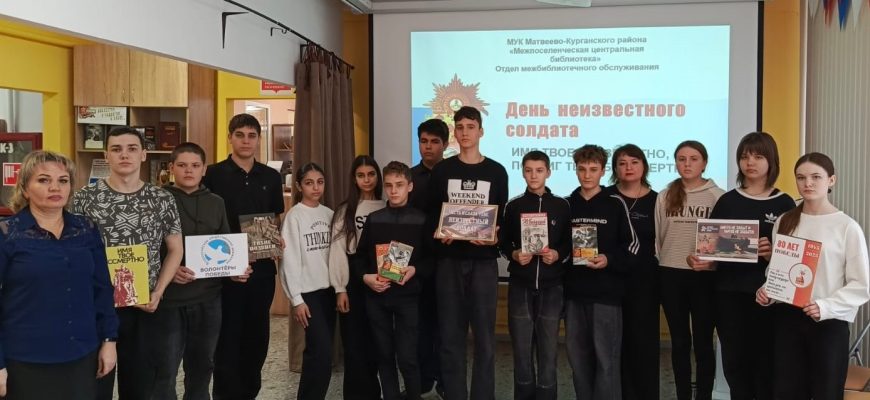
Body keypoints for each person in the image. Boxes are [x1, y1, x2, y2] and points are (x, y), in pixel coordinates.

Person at [71, 126, 184, 400]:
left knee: (141, 387)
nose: (124, 155)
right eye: (116, 149)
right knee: (96, 384)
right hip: (98, 306)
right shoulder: (85, 198)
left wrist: (158, 291)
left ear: (143, 154)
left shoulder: (162, 198)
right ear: (106, 155)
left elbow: (175, 249)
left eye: (132, 149)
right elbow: (74, 251)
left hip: (145, 306)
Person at [0, 151, 117, 400]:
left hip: (82, 354)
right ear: (25, 189)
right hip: (25, 358)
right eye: (43, 180)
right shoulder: (7, 234)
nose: (55, 187)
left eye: (63, 180)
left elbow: (102, 289)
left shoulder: (86, 229)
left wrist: (109, 339)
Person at [756, 152, 870, 400]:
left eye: (816, 177)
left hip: (828, 324)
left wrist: (825, 306)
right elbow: (777, 269)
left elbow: (861, 285)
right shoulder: (785, 221)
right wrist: (768, 291)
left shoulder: (847, 227)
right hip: (787, 320)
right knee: (786, 391)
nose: (807, 183)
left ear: (831, 180)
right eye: (801, 177)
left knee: (826, 392)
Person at [151, 142, 253, 399]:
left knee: (202, 367)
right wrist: (168, 271)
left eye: (195, 165)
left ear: (204, 169)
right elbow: (146, 247)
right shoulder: (156, 200)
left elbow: (225, 245)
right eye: (182, 165)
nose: (189, 171)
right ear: (171, 168)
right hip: (168, 301)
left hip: (208, 299)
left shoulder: (216, 202)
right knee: (164, 369)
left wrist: (234, 270)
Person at [427, 106, 508, 400]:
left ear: (481, 132)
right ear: (455, 132)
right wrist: (440, 233)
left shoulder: (496, 171)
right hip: (449, 262)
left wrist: (494, 237)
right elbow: (432, 216)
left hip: (484, 264)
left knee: (485, 339)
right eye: (460, 127)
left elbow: (501, 220)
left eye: (470, 127)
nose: (465, 132)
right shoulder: (442, 171)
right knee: (451, 338)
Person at [204, 113, 285, 400]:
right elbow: (207, 223)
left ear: (258, 139)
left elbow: (275, 218)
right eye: (240, 135)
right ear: (230, 137)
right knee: (227, 338)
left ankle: (250, 393)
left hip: (261, 271)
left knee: (257, 338)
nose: (246, 141)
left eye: (252, 135)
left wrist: (275, 239)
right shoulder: (212, 174)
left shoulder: (271, 176)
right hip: (225, 270)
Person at [709, 132, 795, 400]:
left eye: (758, 156)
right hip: (729, 293)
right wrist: (703, 257)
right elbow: (711, 246)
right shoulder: (727, 201)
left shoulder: (784, 203)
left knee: (766, 361)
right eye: (745, 157)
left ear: (771, 161)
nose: (750, 162)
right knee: (735, 361)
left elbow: (793, 259)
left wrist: (772, 255)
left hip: (768, 297)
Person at [564, 144, 637, 399]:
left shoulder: (615, 203)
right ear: (575, 170)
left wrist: (608, 259)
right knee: (578, 360)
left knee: (607, 361)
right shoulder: (567, 204)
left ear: (603, 171)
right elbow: (559, 246)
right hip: (574, 295)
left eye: (593, 169)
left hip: (606, 294)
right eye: (582, 169)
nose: (587, 175)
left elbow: (632, 245)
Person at [654, 140, 724, 400]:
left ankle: (704, 395)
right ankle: (683, 394)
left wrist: (711, 263)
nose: (687, 164)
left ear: (704, 163)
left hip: (704, 276)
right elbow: (659, 237)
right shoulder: (665, 195)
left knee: (703, 342)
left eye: (694, 159)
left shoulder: (718, 196)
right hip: (670, 274)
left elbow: (724, 240)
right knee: (679, 342)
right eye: (681, 159)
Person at [499, 150, 570, 400]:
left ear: (548, 172)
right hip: (520, 285)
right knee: (521, 351)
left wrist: (558, 254)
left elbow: (569, 243)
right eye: (528, 170)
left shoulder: (562, 205)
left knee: (549, 352)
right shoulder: (514, 205)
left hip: (552, 287)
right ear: (522, 172)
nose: (533, 176)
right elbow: (503, 242)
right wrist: (514, 254)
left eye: (539, 171)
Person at [356, 161, 430, 400]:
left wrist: (415, 269)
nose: (394, 190)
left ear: (410, 186)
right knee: (384, 355)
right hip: (377, 296)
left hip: (408, 297)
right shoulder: (374, 219)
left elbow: (432, 260)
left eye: (399, 185)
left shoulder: (421, 220)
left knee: (408, 358)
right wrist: (366, 277)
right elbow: (359, 257)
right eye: (389, 185)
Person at [328, 155, 385, 400]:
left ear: (378, 177)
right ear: (354, 179)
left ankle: (374, 394)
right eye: (361, 175)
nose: (367, 180)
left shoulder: (385, 206)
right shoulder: (345, 210)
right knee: (353, 344)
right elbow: (337, 250)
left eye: (371, 174)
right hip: (352, 279)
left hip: (381, 277)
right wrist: (340, 288)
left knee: (376, 343)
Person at [606, 144, 660, 400]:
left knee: (643, 345)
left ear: (644, 166)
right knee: (612, 346)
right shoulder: (604, 197)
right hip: (610, 280)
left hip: (645, 284)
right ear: (614, 169)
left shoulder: (659, 200)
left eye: (634, 162)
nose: (628, 168)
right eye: (622, 163)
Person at [280, 162, 335, 400]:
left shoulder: (329, 214)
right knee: (320, 352)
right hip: (308, 294)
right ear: (299, 186)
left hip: (329, 292)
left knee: (322, 353)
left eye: (320, 182)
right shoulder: (294, 217)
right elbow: (289, 260)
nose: (316, 188)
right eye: (309, 183)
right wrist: (296, 299)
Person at [409, 118, 448, 397]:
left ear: (445, 144)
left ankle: (446, 382)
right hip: (418, 264)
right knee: (420, 325)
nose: (428, 147)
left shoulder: (455, 174)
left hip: (449, 260)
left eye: (435, 141)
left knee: (447, 326)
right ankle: (423, 381)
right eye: (424, 141)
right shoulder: (409, 178)